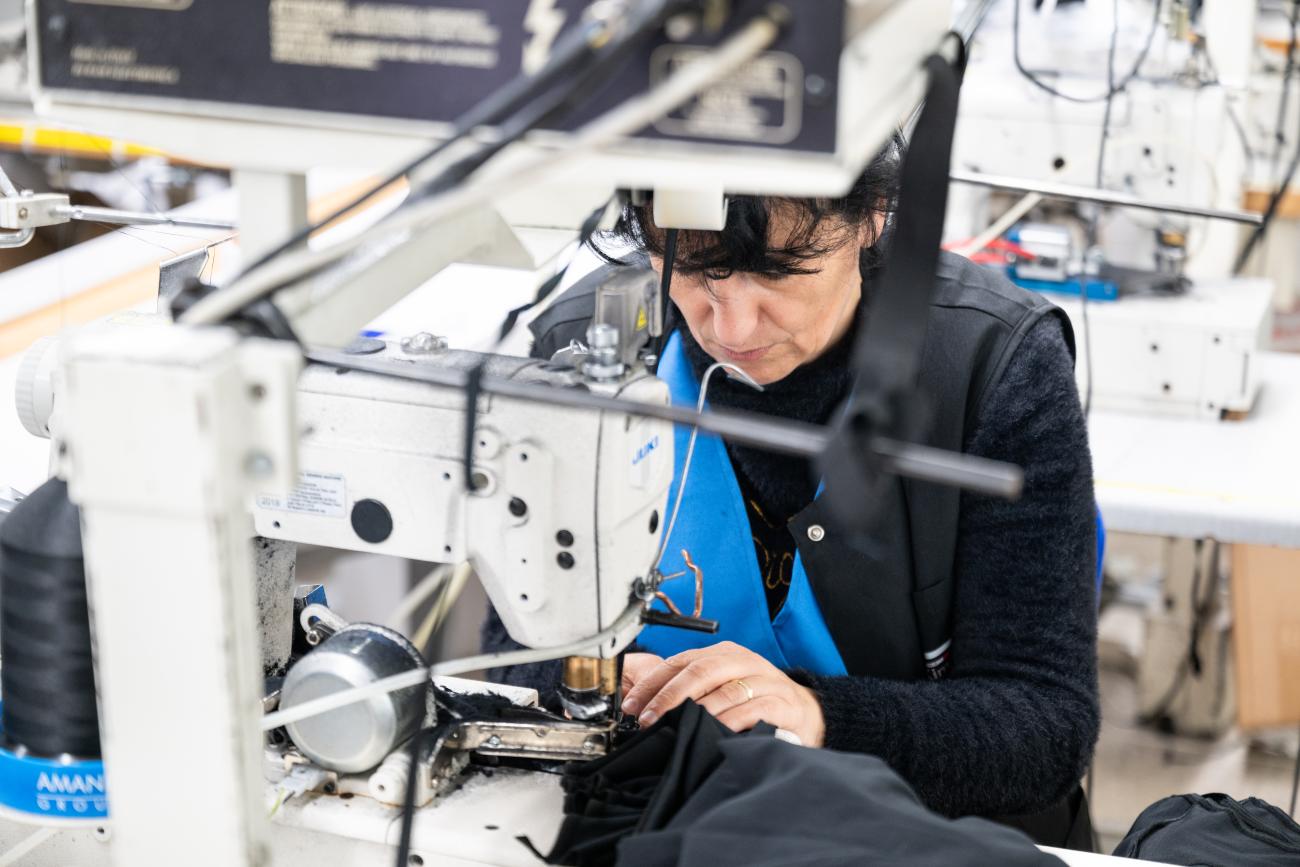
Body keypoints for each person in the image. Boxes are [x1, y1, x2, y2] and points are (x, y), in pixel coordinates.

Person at [481, 139, 1100, 850]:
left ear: (871, 216)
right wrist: (590, 681)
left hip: (928, 839)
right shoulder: (580, 346)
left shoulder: (994, 365)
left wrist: (820, 716)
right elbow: (507, 647)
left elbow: (1046, 725)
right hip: (673, 819)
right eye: (694, 270)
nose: (731, 326)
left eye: (781, 271)